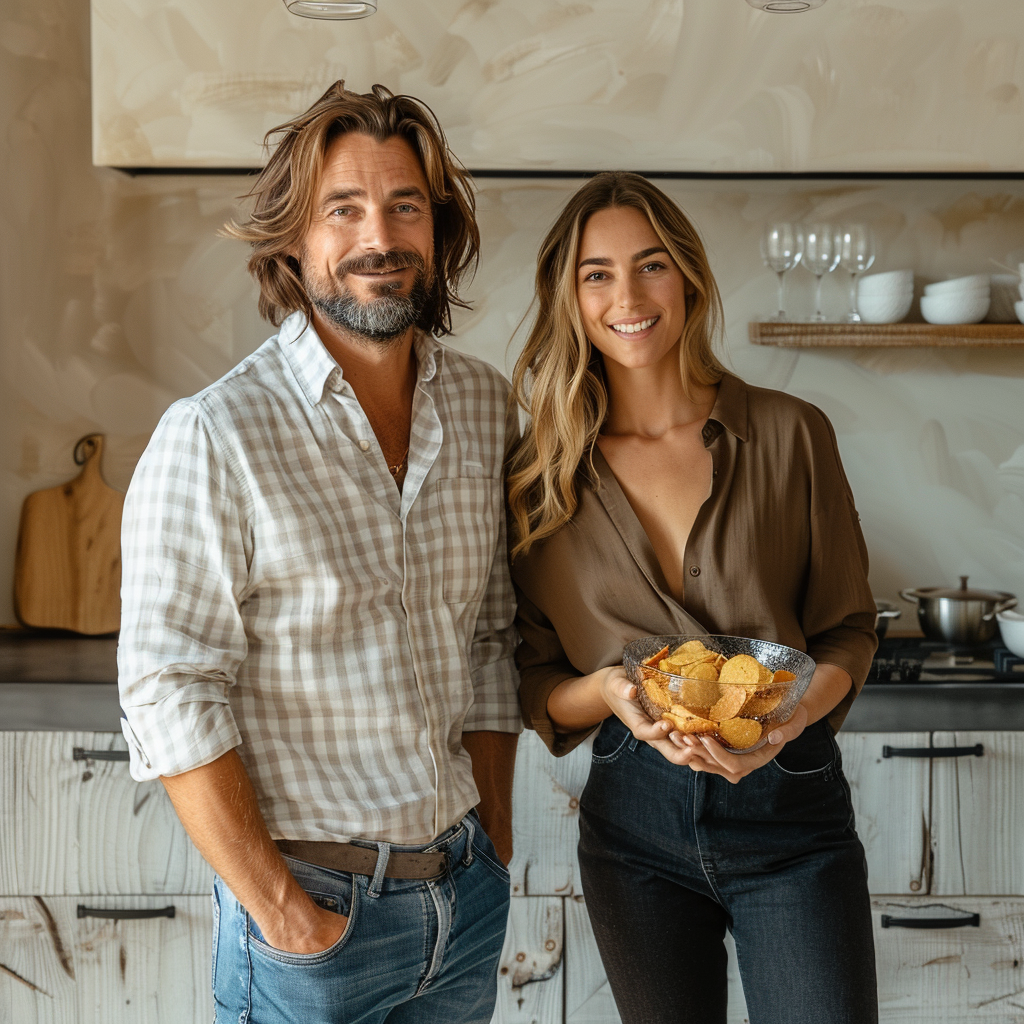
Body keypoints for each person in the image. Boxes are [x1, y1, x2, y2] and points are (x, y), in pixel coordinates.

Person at [118, 82, 520, 1024]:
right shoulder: (215, 433)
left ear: (440, 229)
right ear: (293, 243)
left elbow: (493, 639)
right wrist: (285, 914)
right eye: (343, 209)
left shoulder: (484, 407)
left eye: (405, 205)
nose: (379, 235)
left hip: (463, 906)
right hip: (312, 925)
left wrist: (494, 837)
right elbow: (168, 688)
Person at [507, 172, 879, 1024]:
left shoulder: (791, 433)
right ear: (567, 295)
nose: (627, 296)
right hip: (633, 829)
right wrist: (605, 692)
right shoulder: (539, 475)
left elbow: (848, 630)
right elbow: (534, 677)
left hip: (792, 810)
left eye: (651, 265)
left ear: (690, 279)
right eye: (596, 273)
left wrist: (786, 720)